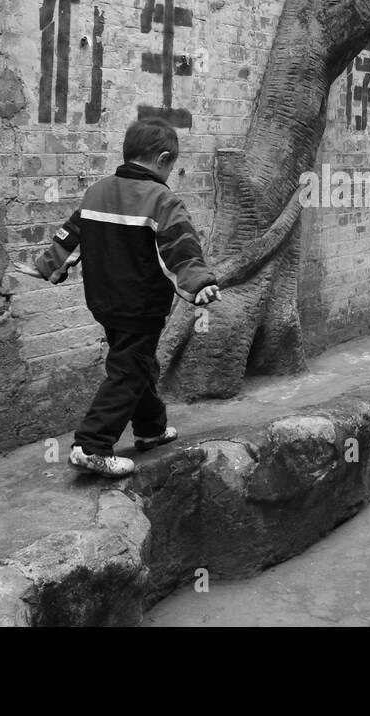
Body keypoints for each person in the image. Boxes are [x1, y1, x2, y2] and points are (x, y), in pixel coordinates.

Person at [19, 119, 220, 477]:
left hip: (104, 301)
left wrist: (45, 265)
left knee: (138, 364)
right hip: (141, 305)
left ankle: (150, 428)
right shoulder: (161, 199)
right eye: (170, 166)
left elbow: (71, 234)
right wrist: (199, 282)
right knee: (129, 370)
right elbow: (180, 246)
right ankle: (92, 445)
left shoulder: (97, 192)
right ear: (163, 159)